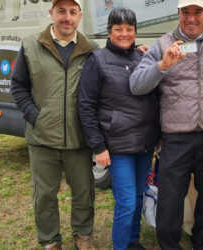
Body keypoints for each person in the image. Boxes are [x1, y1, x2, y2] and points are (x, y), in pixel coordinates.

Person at [129, 0, 203, 248]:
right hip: (175, 135)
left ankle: (201, 242)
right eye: (186, 12)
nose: (192, 18)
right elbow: (136, 84)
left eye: (198, 12)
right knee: (170, 198)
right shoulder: (162, 44)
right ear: (178, 13)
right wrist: (162, 66)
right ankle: (169, 245)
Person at [10, 0, 98, 249]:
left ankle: (83, 235)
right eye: (61, 11)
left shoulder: (91, 49)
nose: (66, 17)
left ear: (80, 16)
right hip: (42, 139)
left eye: (72, 12)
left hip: (78, 138)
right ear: (51, 13)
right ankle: (50, 240)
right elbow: (18, 87)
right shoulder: (30, 46)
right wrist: (35, 116)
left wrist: (142, 51)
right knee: (45, 195)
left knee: (83, 192)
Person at [77, 8, 160, 250]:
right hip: (118, 145)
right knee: (125, 201)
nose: (124, 34)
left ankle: (133, 241)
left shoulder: (142, 57)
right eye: (119, 29)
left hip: (144, 144)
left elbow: (155, 97)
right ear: (109, 31)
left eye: (129, 29)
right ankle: (121, 246)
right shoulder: (97, 60)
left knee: (136, 196)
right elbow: (86, 105)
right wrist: (98, 146)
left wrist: (159, 135)